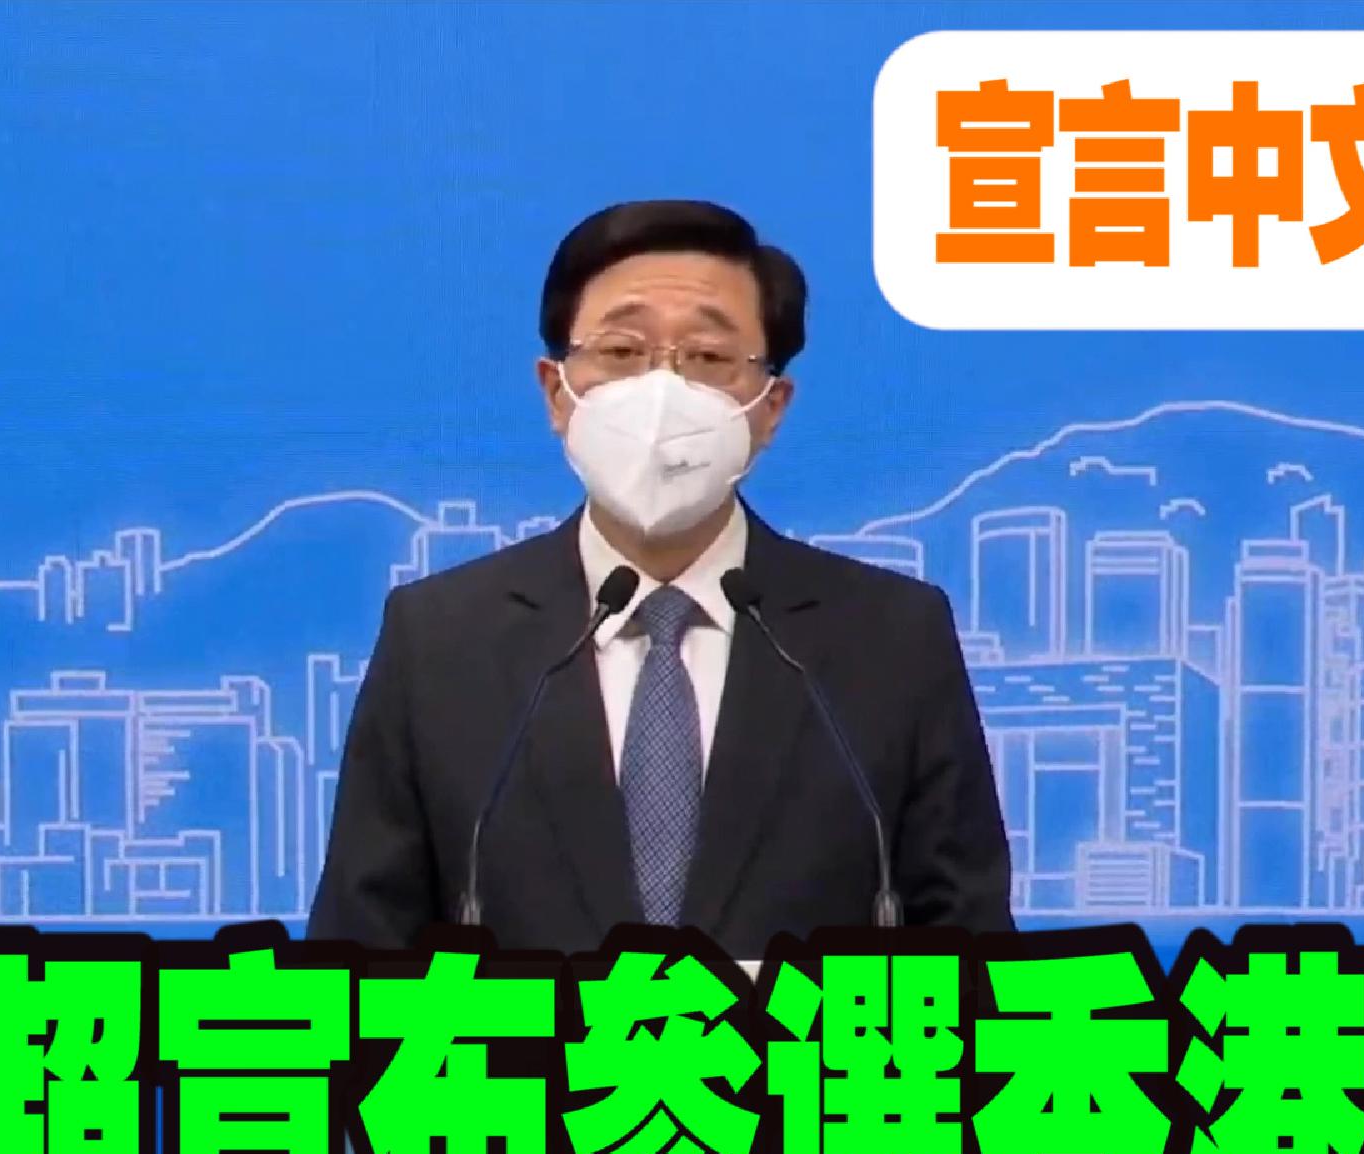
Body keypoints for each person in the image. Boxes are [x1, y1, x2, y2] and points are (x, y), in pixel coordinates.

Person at [307, 200, 1012, 955]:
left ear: (770, 408)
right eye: (621, 351)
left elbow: (968, 947)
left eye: (708, 358)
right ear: (556, 392)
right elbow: (359, 956)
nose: (661, 392)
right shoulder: (441, 638)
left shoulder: (891, 637)